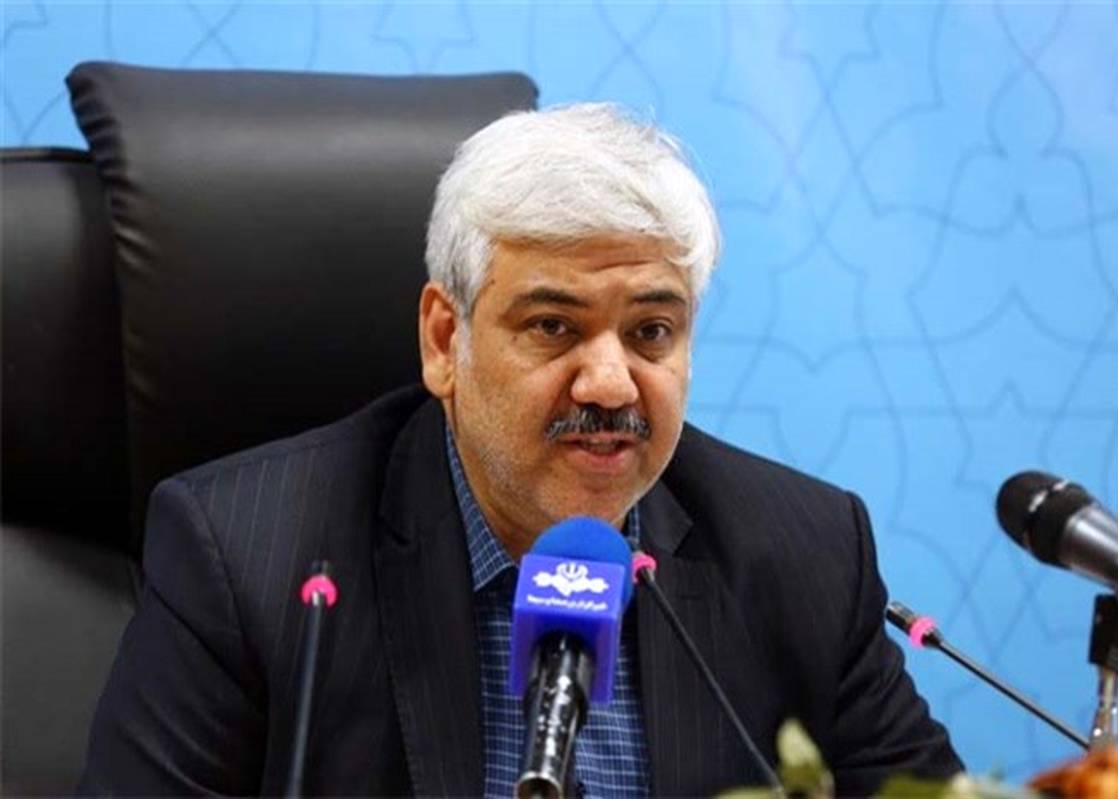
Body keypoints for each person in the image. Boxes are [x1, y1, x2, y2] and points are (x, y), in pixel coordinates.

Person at [79, 103, 962, 797]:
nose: (610, 384)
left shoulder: (805, 554)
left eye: (651, 330)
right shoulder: (250, 560)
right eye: (553, 326)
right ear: (444, 339)